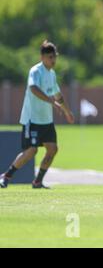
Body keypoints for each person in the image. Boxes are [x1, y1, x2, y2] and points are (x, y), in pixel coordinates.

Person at [0, 40, 75, 189]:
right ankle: (6, 176)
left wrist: (67, 111)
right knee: (31, 151)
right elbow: (33, 88)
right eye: (50, 57)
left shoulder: (51, 74)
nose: (53, 60)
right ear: (42, 57)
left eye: (54, 57)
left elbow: (58, 95)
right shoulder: (35, 71)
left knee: (52, 149)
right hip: (32, 119)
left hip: (46, 120)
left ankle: (38, 181)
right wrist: (51, 102)